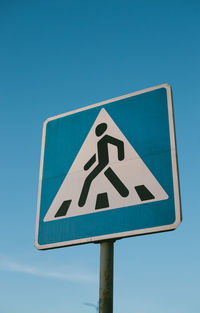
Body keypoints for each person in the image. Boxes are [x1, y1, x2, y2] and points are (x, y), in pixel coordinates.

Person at [78, 122, 129, 207]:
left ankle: (81, 203)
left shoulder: (106, 138)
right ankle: (125, 193)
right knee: (112, 177)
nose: (96, 133)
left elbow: (119, 143)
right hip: (102, 164)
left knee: (88, 180)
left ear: (102, 130)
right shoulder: (99, 141)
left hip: (103, 163)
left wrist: (121, 157)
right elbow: (96, 155)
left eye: (98, 131)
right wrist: (87, 166)